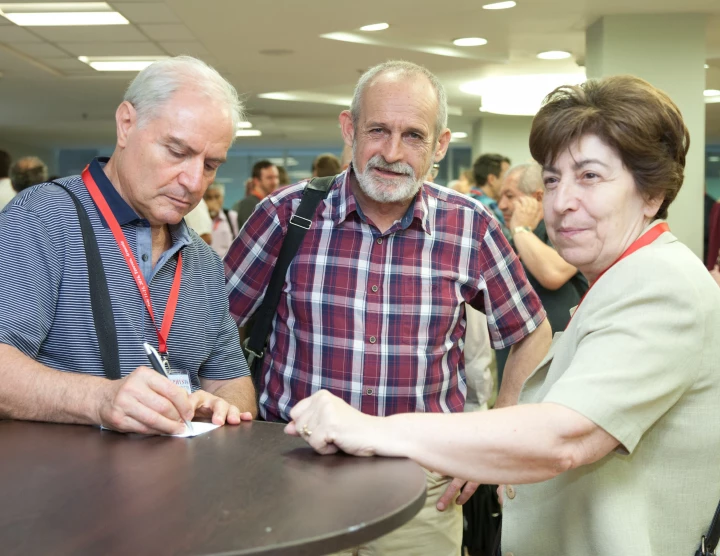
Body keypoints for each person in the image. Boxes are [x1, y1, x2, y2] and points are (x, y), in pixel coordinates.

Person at [286, 75, 720, 556]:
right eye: (553, 179)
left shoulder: (660, 285)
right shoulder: (622, 279)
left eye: (590, 176)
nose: (560, 202)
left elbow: (564, 435)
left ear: (652, 192)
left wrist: (368, 428)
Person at [225, 60, 550, 555]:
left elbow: (530, 331)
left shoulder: (470, 227)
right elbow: (214, 325)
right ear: (349, 129)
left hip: (422, 492)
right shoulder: (286, 216)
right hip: (293, 477)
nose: (392, 153)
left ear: (440, 145)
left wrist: (495, 435)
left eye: (413, 136)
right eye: (378, 130)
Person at [0, 56, 256, 435]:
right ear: (126, 124)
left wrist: (219, 406)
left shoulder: (202, 261)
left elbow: (233, 382)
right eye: (177, 151)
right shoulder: (42, 217)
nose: (193, 181)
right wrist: (100, 400)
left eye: (210, 165)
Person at [494, 163, 588, 381]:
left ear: (537, 198)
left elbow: (552, 274)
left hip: (558, 369)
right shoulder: (513, 239)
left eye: (510, 196)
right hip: (516, 365)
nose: (502, 205)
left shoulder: (565, 230)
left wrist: (521, 228)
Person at [231, 160, 279, 230]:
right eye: (269, 178)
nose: (274, 182)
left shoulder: (266, 203)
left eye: (276, 177)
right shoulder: (250, 204)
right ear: (256, 181)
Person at [470, 153, 510, 226]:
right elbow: (507, 236)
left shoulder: (467, 199)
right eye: (507, 177)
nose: (510, 182)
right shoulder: (488, 205)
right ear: (491, 179)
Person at [204, 182, 239, 258]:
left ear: (222, 198)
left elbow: (237, 244)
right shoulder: (200, 219)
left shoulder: (231, 216)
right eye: (209, 198)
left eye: (217, 197)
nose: (213, 201)